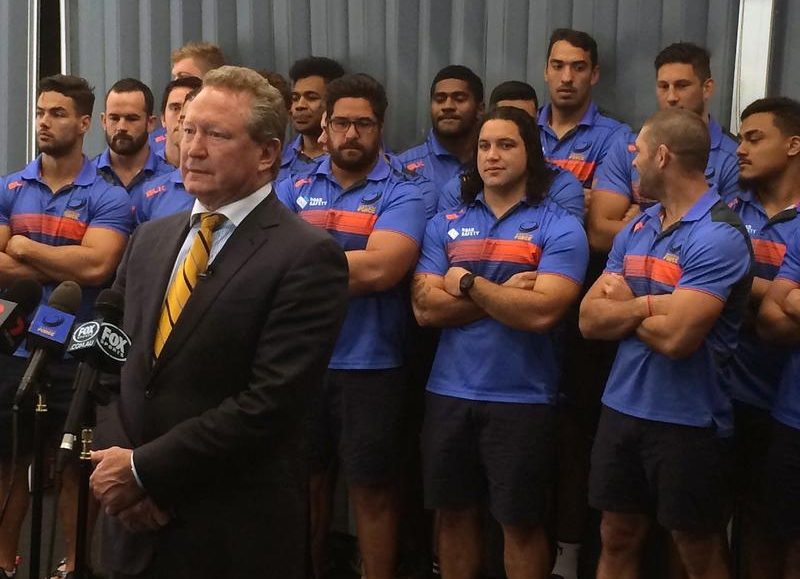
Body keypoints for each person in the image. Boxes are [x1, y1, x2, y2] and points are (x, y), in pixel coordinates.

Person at [89, 65, 349, 579]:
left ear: (267, 153)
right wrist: (122, 473)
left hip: (227, 532)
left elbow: (268, 404)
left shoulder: (306, 256)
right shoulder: (150, 240)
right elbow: (110, 367)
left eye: (216, 135)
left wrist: (144, 471)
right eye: (188, 129)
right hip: (131, 531)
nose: (193, 148)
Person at [412, 106, 588, 579]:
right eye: (485, 146)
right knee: (453, 516)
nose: (493, 155)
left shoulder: (559, 226)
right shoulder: (445, 223)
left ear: (531, 152)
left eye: (506, 145)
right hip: (448, 393)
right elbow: (425, 309)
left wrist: (468, 284)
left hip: (524, 398)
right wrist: (506, 294)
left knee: (521, 525)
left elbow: (543, 312)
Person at [579, 108, 752, 579]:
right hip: (622, 408)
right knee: (615, 535)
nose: (632, 162)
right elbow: (589, 319)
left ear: (661, 156)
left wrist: (626, 305)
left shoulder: (719, 235)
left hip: (689, 421)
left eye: (637, 152)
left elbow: (678, 339)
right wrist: (649, 305)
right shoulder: (638, 228)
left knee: (695, 548)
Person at [277, 73, 426, 579]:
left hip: (371, 365)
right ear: (325, 125)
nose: (351, 134)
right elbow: (264, 258)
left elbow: (382, 269)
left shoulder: (404, 193)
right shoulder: (291, 186)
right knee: (304, 486)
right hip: (300, 363)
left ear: (380, 127)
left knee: (373, 490)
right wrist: (338, 266)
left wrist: (294, 271)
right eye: (341, 123)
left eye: (363, 124)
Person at [0, 74, 132, 579]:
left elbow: (97, 267)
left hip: (77, 355)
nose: (44, 122)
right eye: (40, 112)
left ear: (83, 123)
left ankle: (74, 566)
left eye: (57, 113)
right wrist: (61, 262)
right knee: (8, 465)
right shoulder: (10, 187)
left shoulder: (109, 196)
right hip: (15, 352)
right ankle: (5, 563)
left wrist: (23, 248)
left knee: (75, 467)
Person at [728, 97, 800, 579]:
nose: (741, 149)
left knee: (777, 530)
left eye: (755, 138)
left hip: (785, 402)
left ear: (793, 145)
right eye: (740, 139)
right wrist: (772, 292)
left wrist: (734, 284)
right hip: (730, 390)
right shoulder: (731, 211)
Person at [589, 42, 740, 253]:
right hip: (626, 268)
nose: (671, 97)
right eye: (663, 86)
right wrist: (656, 224)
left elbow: (724, 240)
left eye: (682, 86)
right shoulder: (628, 146)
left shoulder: (734, 156)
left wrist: (642, 222)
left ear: (707, 88)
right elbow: (599, 234)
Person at [437, 81, 584, 220]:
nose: (514, 126)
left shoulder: (562, 186)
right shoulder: (457, 190)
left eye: (524, 120)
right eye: (505, 116)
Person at [758, 230, 800, 579]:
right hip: (792, 417)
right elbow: (770, 318)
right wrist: (787, 300)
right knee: (779, 544)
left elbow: (788, 300)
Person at [539, 28, 625, 193]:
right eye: (557, 66)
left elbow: (605, 204)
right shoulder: (523, 129)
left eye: (578, 68)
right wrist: (577, 196)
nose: (567, 78)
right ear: (546, 71)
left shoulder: (615, 137)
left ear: (594, 75)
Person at [397, 65, 484, 195]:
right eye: (440, 100)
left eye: (459, 99)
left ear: (480, 109)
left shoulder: (494, 163)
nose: (447, 106)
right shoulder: (402, 168)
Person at [94, 78, 172, 198]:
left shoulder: (172, 180)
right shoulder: (85, 177)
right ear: (104, 121)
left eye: (131, 119)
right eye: (114, 118)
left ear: (150, 123)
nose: (121, 127)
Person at [149, 42, 226, 158]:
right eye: (175, 108)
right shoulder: (151, 144)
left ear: (210, 79)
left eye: (183, 77)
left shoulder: (224, 139)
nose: (176, 83)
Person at [278, 56, 345, 181]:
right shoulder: (277, 159)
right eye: (295, 98)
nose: (300, 105)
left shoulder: (348, 161)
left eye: (312, 97)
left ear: (334, 102)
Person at [154, 77, 202, 167]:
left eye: (189, 109)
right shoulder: (145, 168)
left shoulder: (215, 170)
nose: (181, 116)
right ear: (163, 118)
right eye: (175, 108)